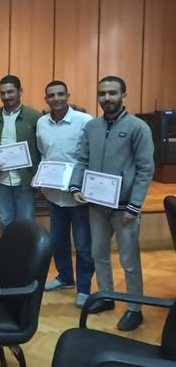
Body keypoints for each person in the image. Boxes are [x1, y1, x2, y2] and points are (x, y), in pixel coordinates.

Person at [69, 76, 154, 331]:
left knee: (129, 261)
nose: (107, 98)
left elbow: (145, 169)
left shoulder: (138, 127)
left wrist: (134, 205)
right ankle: (106, 297)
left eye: (112, 93)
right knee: (99, 255)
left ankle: (135, 309)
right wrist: (76, 186)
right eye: (102, 93)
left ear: (123, 95)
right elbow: (82, 160)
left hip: (125, 208)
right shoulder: (92, 127)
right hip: (97, 205)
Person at [36, 81, 95, 308]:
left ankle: (84, 288)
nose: (56, 99)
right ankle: (65, 278)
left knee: (83, 245)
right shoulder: (41, 123)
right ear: (46, 99)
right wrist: (42, 179)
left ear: (68, 95)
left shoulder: (84, 120)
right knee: (58, 241)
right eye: (51, 95)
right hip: (53, 194)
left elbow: (89, 155)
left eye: (60, 94)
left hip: (78, 195)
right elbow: (43, 153)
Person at [0, 75, 41, 230]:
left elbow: (42, 148)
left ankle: (26, 248)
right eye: (2, 93)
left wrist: (38, 175)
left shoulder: (34, 117)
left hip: (25, 180)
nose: (6, 96)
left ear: (20, 91)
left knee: (26, 222)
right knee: (5, 221)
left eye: (10, 92)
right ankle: (10, 247)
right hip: (0, 181)